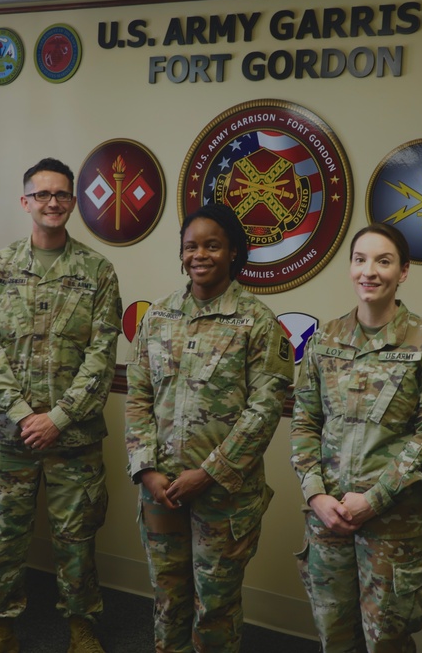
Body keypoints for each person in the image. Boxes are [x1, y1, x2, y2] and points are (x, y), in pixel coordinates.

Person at [0, 158, 121, 653]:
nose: (52, 202)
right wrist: (22, 414)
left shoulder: (98, 271)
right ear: (26, 202)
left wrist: (55, 418)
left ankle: (81, 629)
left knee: (76, 541)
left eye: (62, 195)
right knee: (3, 536)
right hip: (6, 436)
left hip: (72, 437)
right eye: (42, 194)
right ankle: (0, 628)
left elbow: (101, 357)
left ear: (73, 203)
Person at [125, 203, 294, 652]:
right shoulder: (158, 316)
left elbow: (264, 410)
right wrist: (146, 470)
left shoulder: (258, 322)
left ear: (234, 252)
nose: (200, 255)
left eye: (212, 245)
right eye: (191, 246)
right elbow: (138, 395)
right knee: (167, 597)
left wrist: (209, 472)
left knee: (215, 604)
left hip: (223, 495)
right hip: (160, 490)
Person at [290, 223, 422, 653]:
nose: (369, 271)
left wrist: (375, 498)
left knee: (386, 641)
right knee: (334, 637)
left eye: (383, 261)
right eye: (360, 260)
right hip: (327, 520)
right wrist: (315, 495)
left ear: (403, 271)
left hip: (393, 527)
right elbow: (305, 422)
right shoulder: (325, 340)